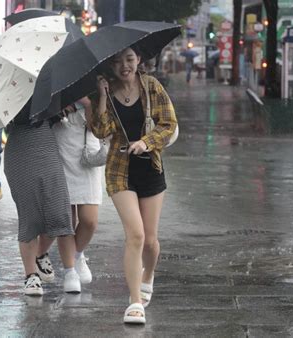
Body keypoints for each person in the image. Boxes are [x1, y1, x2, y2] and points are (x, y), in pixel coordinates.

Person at [89, 47, 177, 324]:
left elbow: (169, 124)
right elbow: (101, 131)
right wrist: (102, 97)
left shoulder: (152, 86)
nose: (124, 66)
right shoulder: (108, 91)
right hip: (119, 171)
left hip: (150, 167)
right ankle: (135, 301)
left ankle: (147, 276)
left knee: (150, 241)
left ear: (139, 59)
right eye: (117, 62)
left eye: (129, 59)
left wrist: (146, 142)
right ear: (111, 66)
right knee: (135, 235)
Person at [4, 105, 81, 296]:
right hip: (19, 150)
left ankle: (40, 253)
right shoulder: (5, 93)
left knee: (57, 213)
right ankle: (31, 275)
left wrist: (60, 108)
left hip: (47, 147)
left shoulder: (48, 85)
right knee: (30, 216)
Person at [50, 97, 103, 285]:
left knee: (90, 220)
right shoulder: (56, 80)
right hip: (60, 143)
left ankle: (78, 254)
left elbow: (98, 126)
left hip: (87, 150)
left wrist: (86, 103)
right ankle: (69, 270)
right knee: (67, 220)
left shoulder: (97, 81)